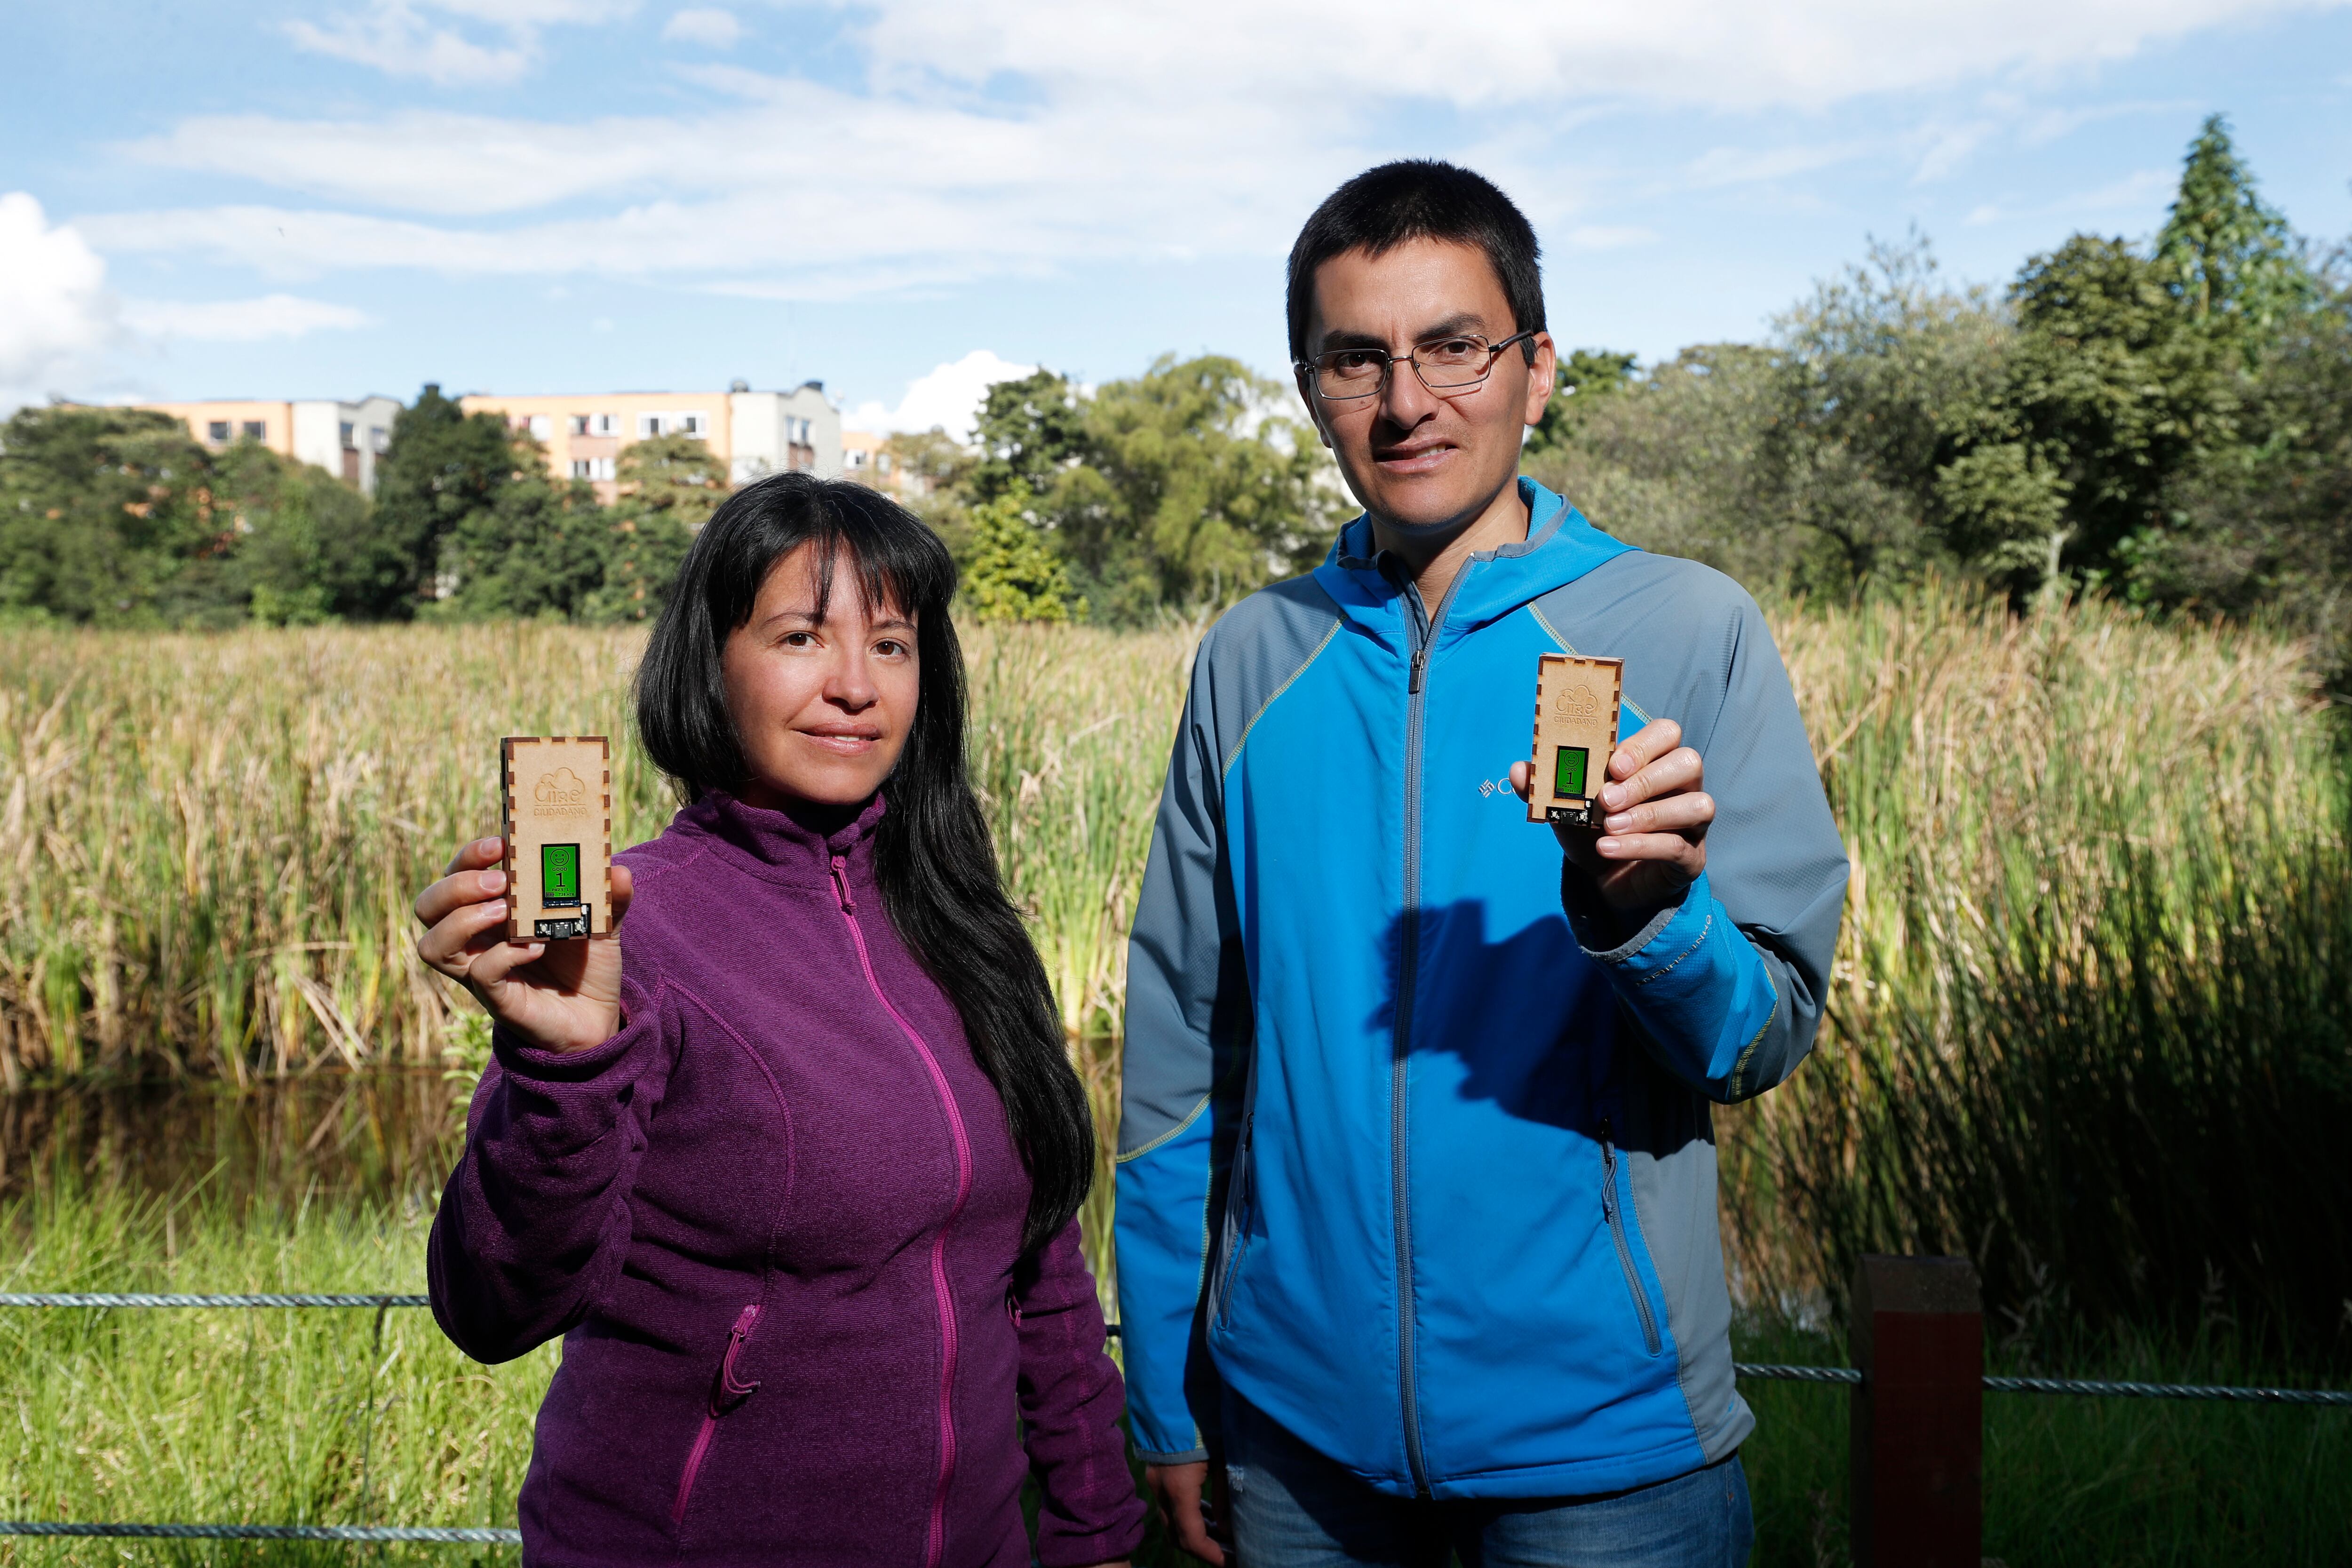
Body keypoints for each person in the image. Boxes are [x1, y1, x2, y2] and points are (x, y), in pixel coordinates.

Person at [1115, 161, 1849, 1566]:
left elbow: (1761, 1037)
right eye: (1357, 358)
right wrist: (1170, 1392)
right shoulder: (1252, 659)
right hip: (1294, 1451)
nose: (1408, 401)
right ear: (1311, 385)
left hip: (1609, 1462)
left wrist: (1652, 921)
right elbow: (1176, 1063)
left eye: (1456, 345)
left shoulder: (1693, 626)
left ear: (1538, 366)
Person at [415, 474, 1144, 1568]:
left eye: (892, 644)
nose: (855, 684)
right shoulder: (630, 935)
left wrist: (1094, 1529)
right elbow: (495, 1302)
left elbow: (1038, 1268)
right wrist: (561, 1067)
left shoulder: (963, 921)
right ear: (712, 661)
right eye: (802, 635)